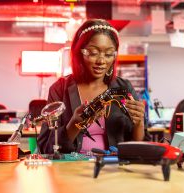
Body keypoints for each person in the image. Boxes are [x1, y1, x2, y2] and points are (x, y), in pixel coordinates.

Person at [38, 19, 146, 154]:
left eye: (108, 54)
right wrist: (74, 125)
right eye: (94, 53)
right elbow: (46, 147)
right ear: (79, 53)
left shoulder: (124, 88)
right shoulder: (60, 89)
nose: (101, 61)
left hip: (113, 168)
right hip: (72, 170)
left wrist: (139, 123)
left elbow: (137, 147)